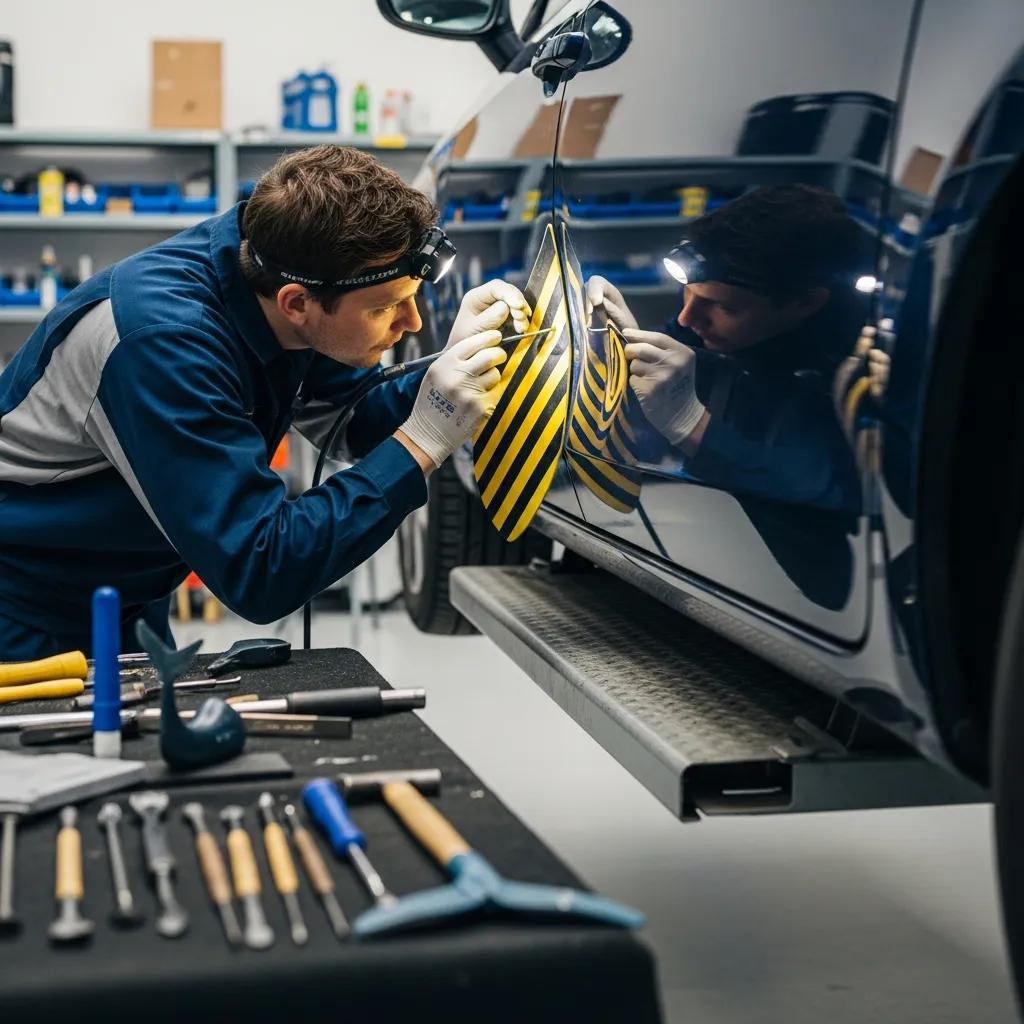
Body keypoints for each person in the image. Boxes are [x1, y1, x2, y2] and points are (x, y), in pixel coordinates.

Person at [0, 145, 530, 659]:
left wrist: (455, 374)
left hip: (124, 595)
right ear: (297, 304)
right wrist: (425, 440)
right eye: (388, 306)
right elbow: (262, 569)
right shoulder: (163, 344)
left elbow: (348, 421)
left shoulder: (280, 259)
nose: (413, 323)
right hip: (25, 611)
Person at [586, 183, 867, 512]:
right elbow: (679, 342)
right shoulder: (717, 317)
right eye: (688, 293)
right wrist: (618, 349)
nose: (687, 317)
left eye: (725, 308)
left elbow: (810, 489)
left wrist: (691, 423)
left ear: (805, 302)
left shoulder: (849, 380)